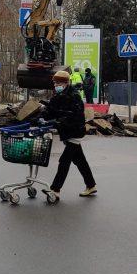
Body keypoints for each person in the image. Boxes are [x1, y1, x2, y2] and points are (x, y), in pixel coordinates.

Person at [42, 70, 97, 198]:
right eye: (55, 83)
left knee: (64, 160)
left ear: (66, 83)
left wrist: (57, 122)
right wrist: (40, 116)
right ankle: (91, 185)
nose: (56, 86)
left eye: (59, 83)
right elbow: (51, 111)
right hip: (67, 132)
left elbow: (73, 116)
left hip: (76, 131)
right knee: (80, 160)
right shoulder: (57, 96)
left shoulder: (74, 96)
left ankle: (55, 190)